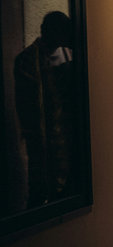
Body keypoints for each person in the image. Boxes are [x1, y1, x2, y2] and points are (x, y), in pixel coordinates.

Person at [14, 11, 74, 208]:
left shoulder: (69, 54)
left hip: (66, 136)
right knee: (41, 187)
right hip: (42, 138)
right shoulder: (26, 59)